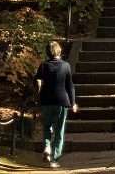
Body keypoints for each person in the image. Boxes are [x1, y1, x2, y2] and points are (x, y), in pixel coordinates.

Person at [35, 39, 76, 167]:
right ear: (59, 51)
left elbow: (36, 80)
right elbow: (70, 86)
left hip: (46, 101)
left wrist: (38, 94)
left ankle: (47, 147)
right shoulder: (65, 65)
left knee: (46, 127)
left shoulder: (43, 65)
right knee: (59, 131)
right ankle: (54, 159)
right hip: (61, 102)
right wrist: (73, 102)